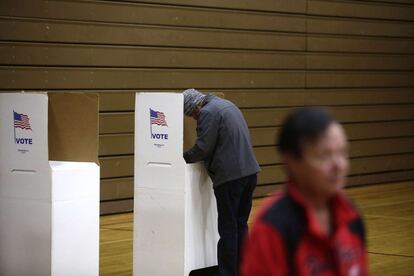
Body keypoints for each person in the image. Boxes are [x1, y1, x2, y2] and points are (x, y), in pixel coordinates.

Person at [241, 107, 368, 276]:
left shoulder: (351, 213)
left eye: (342, 153)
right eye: (324, 155)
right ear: (292, 161)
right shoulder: (273, 226)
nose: (339, 166)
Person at [183, 88, 261, 276]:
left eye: (192, 114)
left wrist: (182, 158)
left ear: (194, 107)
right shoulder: (227, 105)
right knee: (240, 225)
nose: (194, 118)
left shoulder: (208, 112)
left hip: (230, 178)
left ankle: (227, 273)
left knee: (228, 228)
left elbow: (203, 148)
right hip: (249, 173)